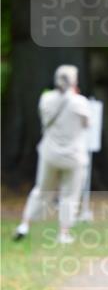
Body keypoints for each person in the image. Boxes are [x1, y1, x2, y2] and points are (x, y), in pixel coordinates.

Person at [14, 65, 91, 244]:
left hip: (49, 153)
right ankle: (63, 233)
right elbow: (88, 124)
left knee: (41, 190)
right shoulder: (80, 102)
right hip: (74, 155)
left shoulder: (46, 98)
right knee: (70, 194)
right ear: (74, 81)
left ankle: (24, 224)